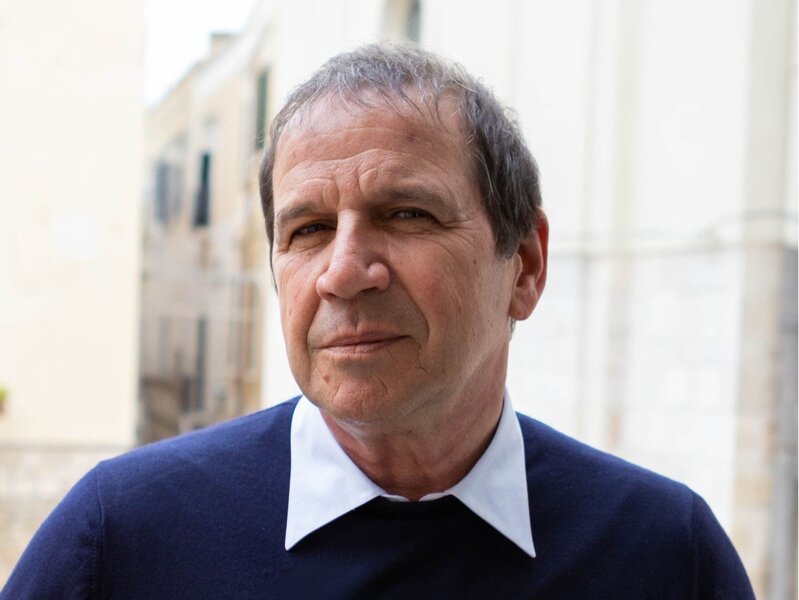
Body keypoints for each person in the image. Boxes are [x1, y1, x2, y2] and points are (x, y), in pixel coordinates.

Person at [2, 43, 753, 599]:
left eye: (406, 214)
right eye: (307, 229)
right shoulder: (122, 538)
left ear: (523, 265)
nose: (343, 272)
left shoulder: (664, 554)